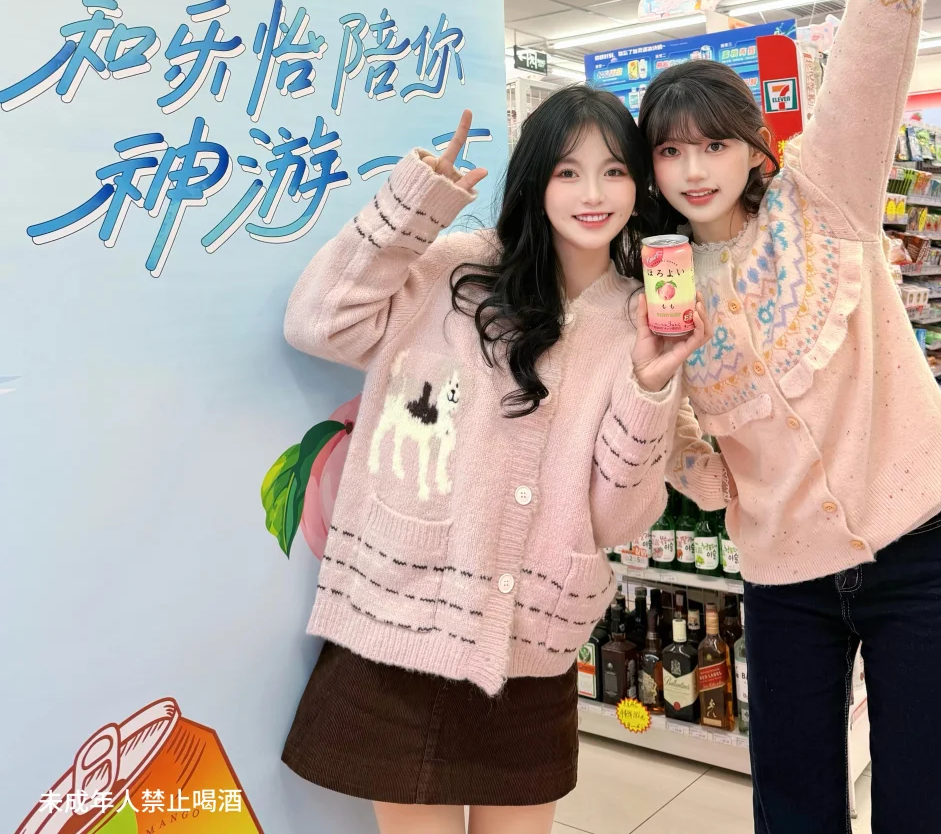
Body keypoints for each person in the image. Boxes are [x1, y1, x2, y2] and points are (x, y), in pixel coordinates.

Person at [643, 0, 941, 834]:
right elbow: (665, 427)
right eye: (670, 151)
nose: (694, 169)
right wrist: (714, 477)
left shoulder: (824, 197)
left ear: (755, 149)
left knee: (936, 793)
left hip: (913, 542)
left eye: (714, 144)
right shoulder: (661, 282)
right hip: (780, 575)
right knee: (793, 805)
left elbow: (869, 68)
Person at [280, 88, 709, 834]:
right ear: (535, 178)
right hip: (403, 623)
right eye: (568, 172)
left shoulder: (638, 318)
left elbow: (617, 518)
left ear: (639, 185)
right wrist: (413, 206)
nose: (593, 194)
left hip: (530, 647)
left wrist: (648, 388)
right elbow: (319, 323)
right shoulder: (456, 268)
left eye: (613, 171)